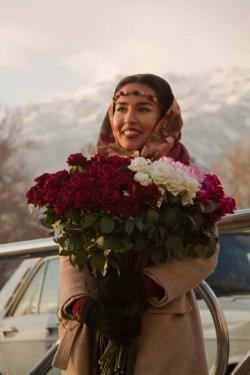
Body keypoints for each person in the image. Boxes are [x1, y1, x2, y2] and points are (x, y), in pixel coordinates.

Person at [52, 74, 219, 375]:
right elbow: (69, 251)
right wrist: (85, 309)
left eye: (143, 108)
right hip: (94, 332)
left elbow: (204, 253)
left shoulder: (188, 179)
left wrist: (141, 285)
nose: (128, 119)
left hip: (161, 327)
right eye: (121, 108)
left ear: (165, 117)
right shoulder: (89, 177)